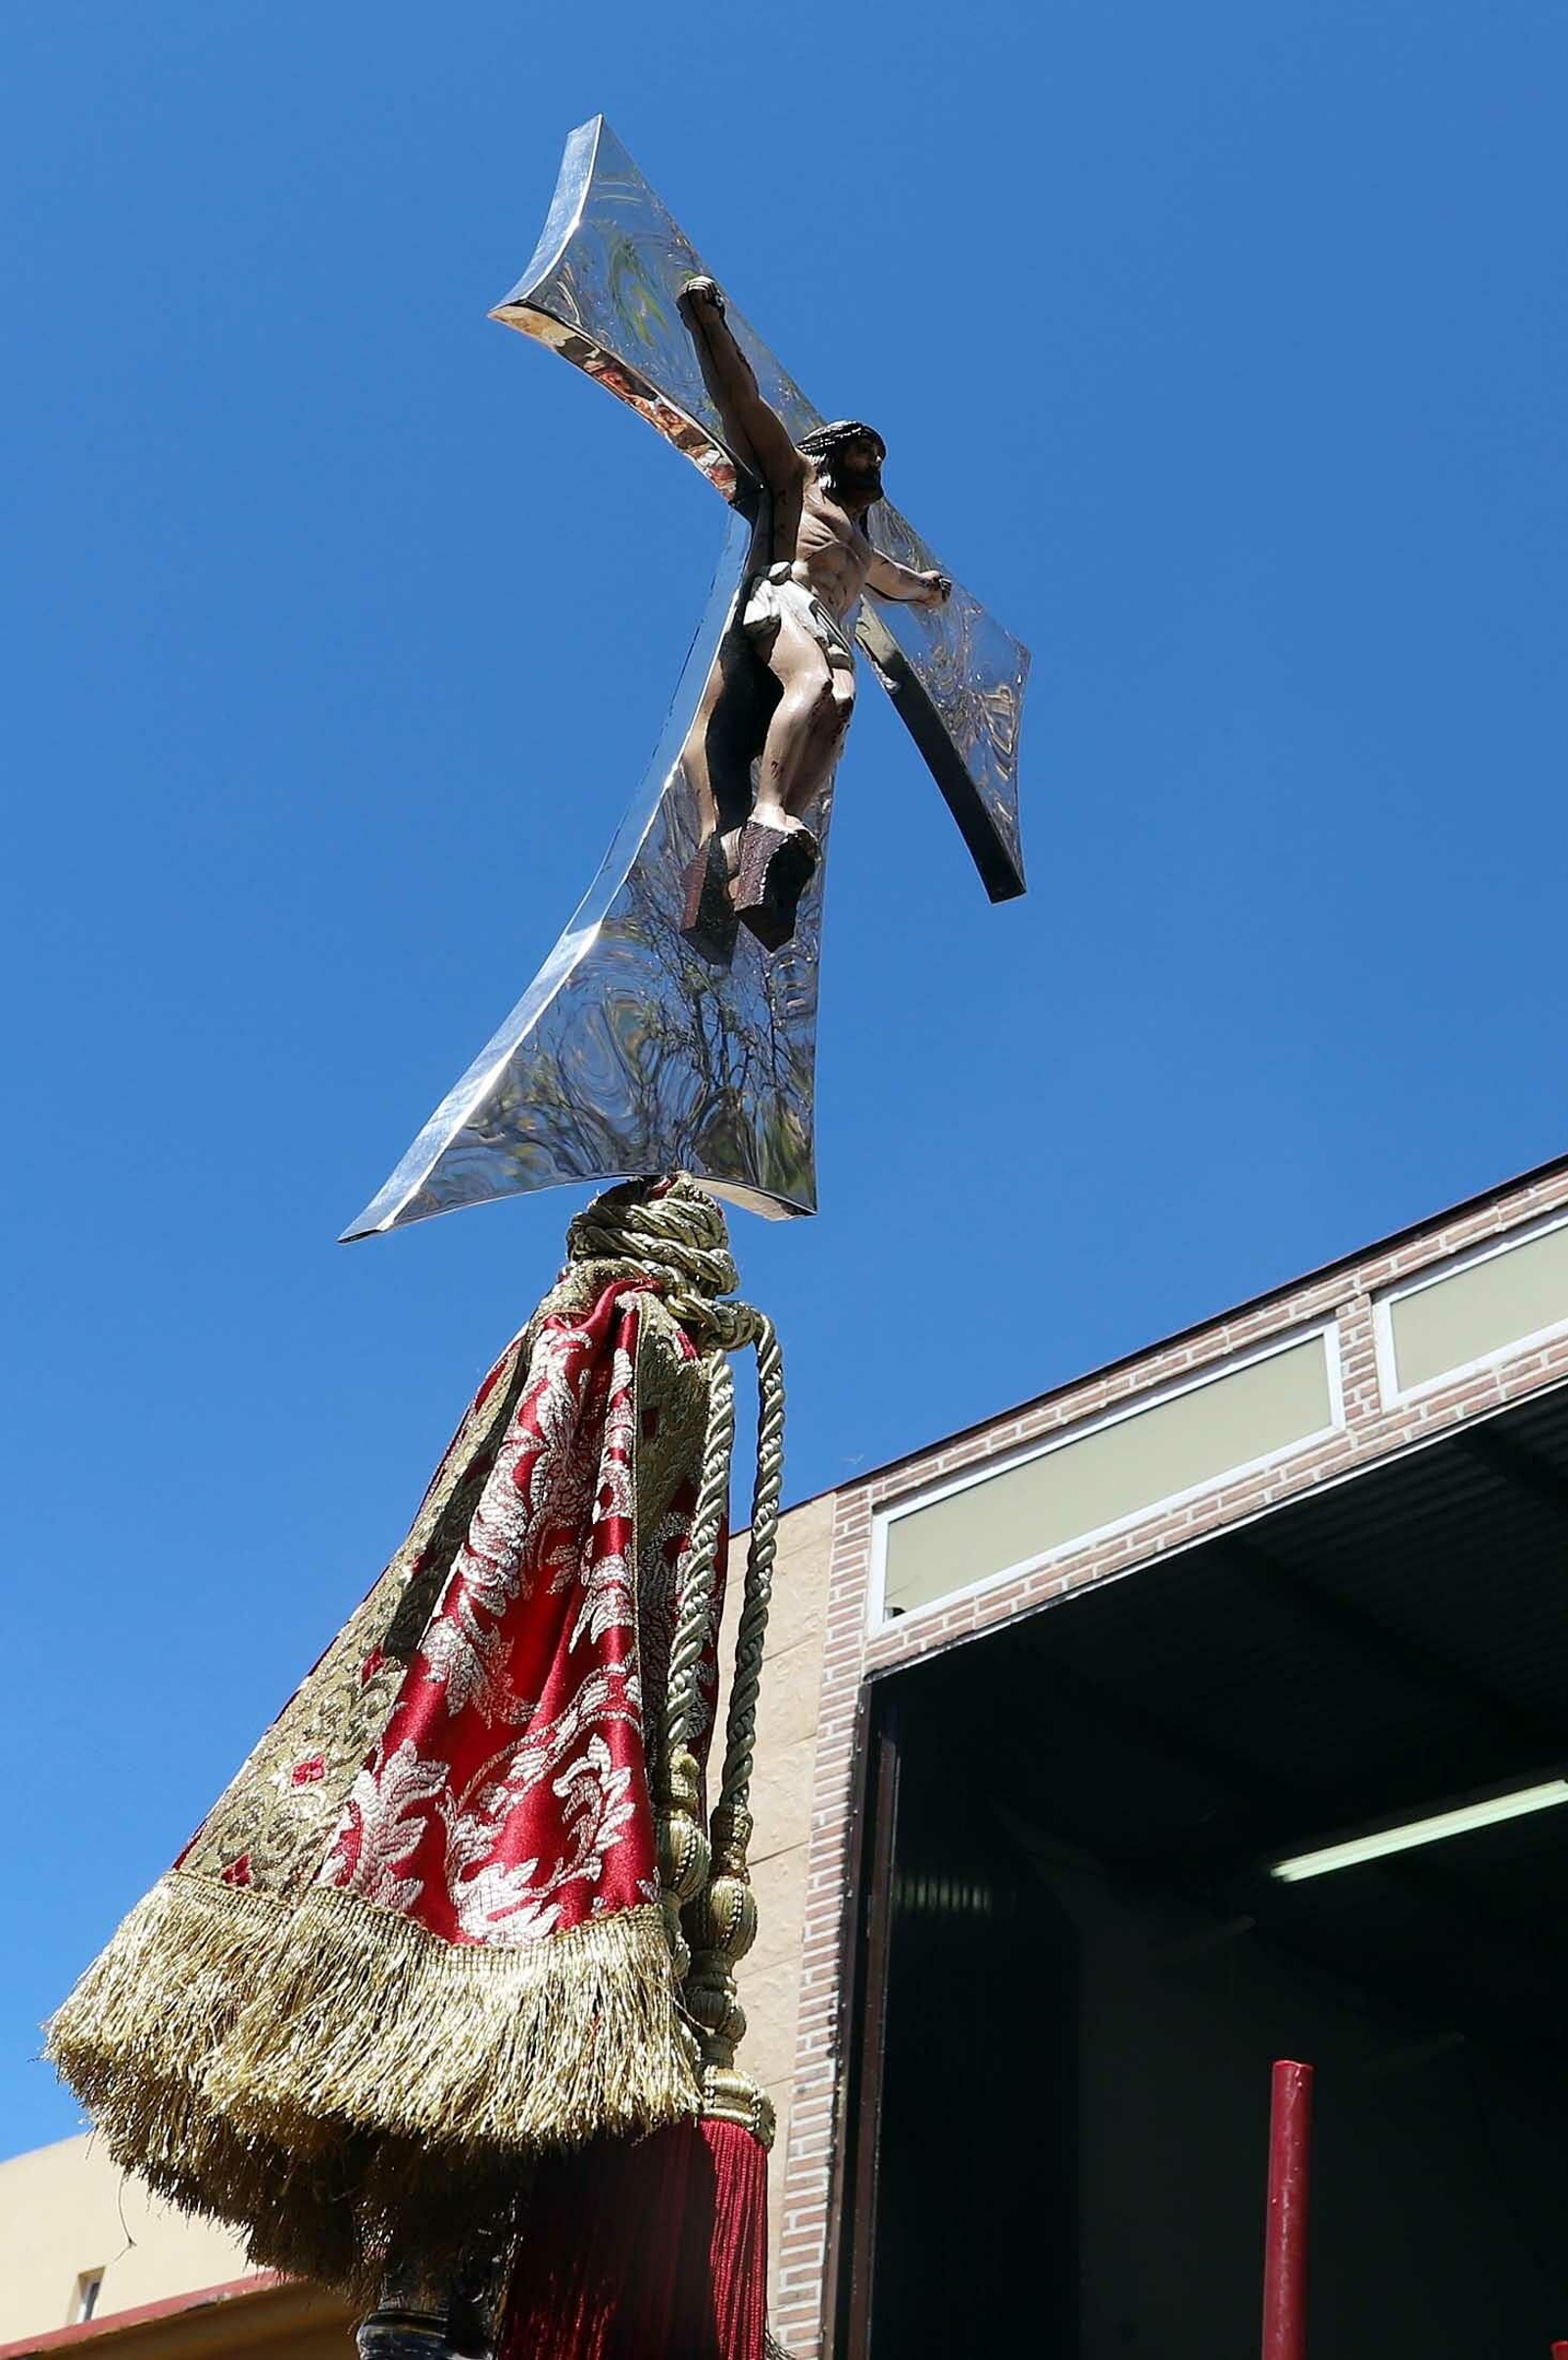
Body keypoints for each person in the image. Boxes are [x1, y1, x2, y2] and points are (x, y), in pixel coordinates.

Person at [677, 275, 951, 948]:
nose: (876, 463)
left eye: (880, 456)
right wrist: (706, 321)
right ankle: (767, 815)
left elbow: (894, 581)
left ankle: (739, 856)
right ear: (832, 450)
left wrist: (928, 589)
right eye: (866, 449)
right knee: (828, 684)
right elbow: (741, 400)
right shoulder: (795, 479)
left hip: (818, 620)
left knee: (837, 707)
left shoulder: (859, 546)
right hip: (779, 599)